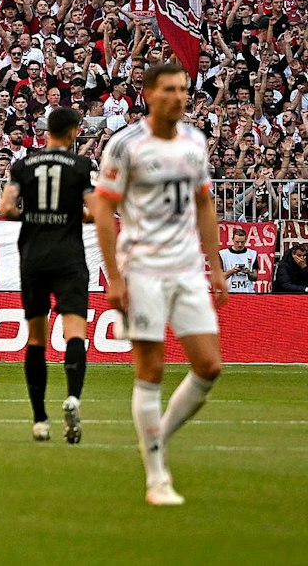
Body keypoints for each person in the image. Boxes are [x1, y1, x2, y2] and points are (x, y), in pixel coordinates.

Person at [94, 60, 226, 506]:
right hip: (143, 269)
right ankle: (156, 477)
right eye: (169, 89)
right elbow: (103, 210)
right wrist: (114, 277)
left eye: (184, 89)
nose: (179, 96)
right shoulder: (125, 145)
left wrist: (216, 266)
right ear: (149, 93)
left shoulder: (195, 141)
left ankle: (155, 439)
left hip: (187, 267)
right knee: (150, 371)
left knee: (209, 365)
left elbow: (204, 204)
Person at [0, 106, 96, 442]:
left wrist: (36, 216)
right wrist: (72, 215)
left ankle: (40, 419)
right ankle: (72, 397)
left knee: (36, 338)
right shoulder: (81, 166)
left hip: (34, 256)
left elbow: (7, 208)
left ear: (46, 131)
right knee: (74, 332)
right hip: (68, 257)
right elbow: (95, 211)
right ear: (72, 132)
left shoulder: (23, 165)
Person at [218, 229, 259, 293]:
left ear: (246, 240)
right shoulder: (223, 254)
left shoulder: (252, 254)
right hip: (229, 292)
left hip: (248, 292)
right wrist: (232, 271)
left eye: (242, 242)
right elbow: (219, 277)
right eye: (237, 242)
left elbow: (255, 277)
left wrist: (248, 272)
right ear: (232, 240)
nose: (240, 245)